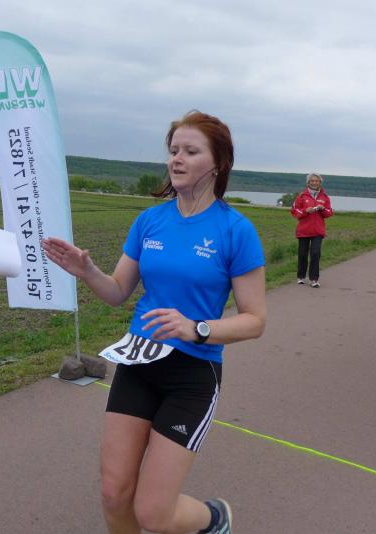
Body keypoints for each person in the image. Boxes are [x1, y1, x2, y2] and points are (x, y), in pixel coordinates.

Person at [43, 110, 266, 534]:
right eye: (173, 150)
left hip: (192, 375)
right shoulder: (150, 221)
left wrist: (196, 328)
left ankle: (214, 519)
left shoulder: (235, 231)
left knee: (153, 514)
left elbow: (255, 320)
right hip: (139, 363)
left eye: (190, 151)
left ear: (217, 163)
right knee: (114, 493)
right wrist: (87, 271)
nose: (176, 159)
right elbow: (117, 292)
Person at [290, 173, 333, 288]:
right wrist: (306, 211)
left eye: (316, 181)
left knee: (315, 254)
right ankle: (301, 276)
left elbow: (329, 212)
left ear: (320, 183)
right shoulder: (302, 196)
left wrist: (323, 209)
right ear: (308, 183)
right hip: (303, 230)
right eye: (312, 181)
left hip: (318, 231)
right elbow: (294, 211)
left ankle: (314, 279)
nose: (314, 183)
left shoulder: (324, 197)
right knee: (302, 254)